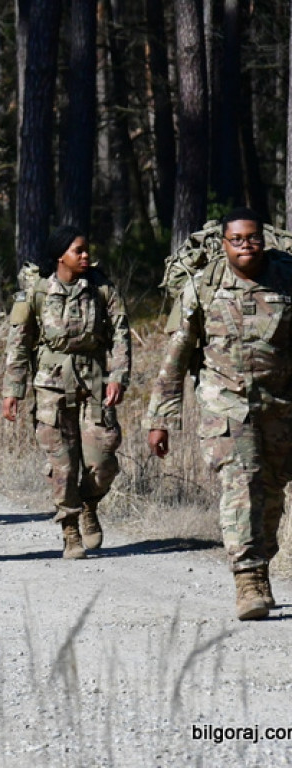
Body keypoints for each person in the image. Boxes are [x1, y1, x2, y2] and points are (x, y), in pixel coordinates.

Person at [146, 207, 292, 620]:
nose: (247, 246)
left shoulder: (286, 277)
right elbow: (175, 357)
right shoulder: (203, 285)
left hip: (278, 404)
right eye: (237, 239)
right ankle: (247, 581)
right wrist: (161, 418)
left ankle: (261, 563)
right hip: (224, 405)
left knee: (272, 491)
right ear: (224, 243)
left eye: (253, 238)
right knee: (240, 483)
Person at [2, 225, 131, 559]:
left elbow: (121, 334)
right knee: (62, 464)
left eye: (87, 250)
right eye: (78, 251)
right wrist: (12, 391)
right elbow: (18, 344)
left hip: (94, 384)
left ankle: (89, 504)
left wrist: (118, 376)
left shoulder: (101, 288)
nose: (86, 256)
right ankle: (70, 528)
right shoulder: (37, 292)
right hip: (51, 387)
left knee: (102, 461)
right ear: (61, 255)